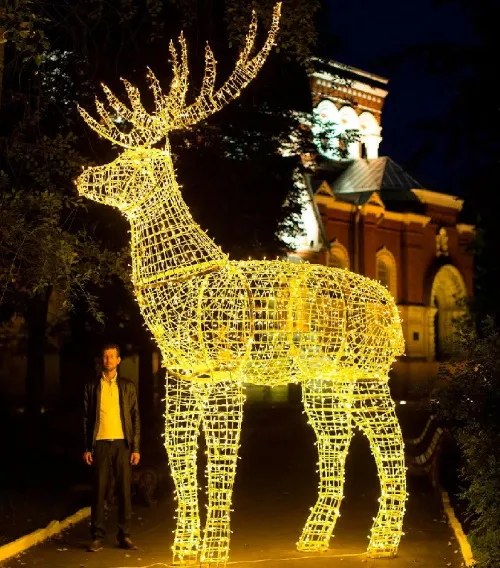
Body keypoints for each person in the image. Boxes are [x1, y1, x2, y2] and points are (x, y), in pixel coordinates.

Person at [83, 343, 141, 552]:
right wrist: (87, 447)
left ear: (118, 360)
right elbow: (86, 418)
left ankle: (124, 535)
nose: (108, 360)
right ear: (102, 360)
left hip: (122, 445)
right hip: (100, 444)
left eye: (112, 356)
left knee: (124, 491)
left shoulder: (126, 386)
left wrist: (135, 448)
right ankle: (97, 536)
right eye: (105, 356)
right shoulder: (92, 386)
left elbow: (135, 418)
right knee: (98, 491)